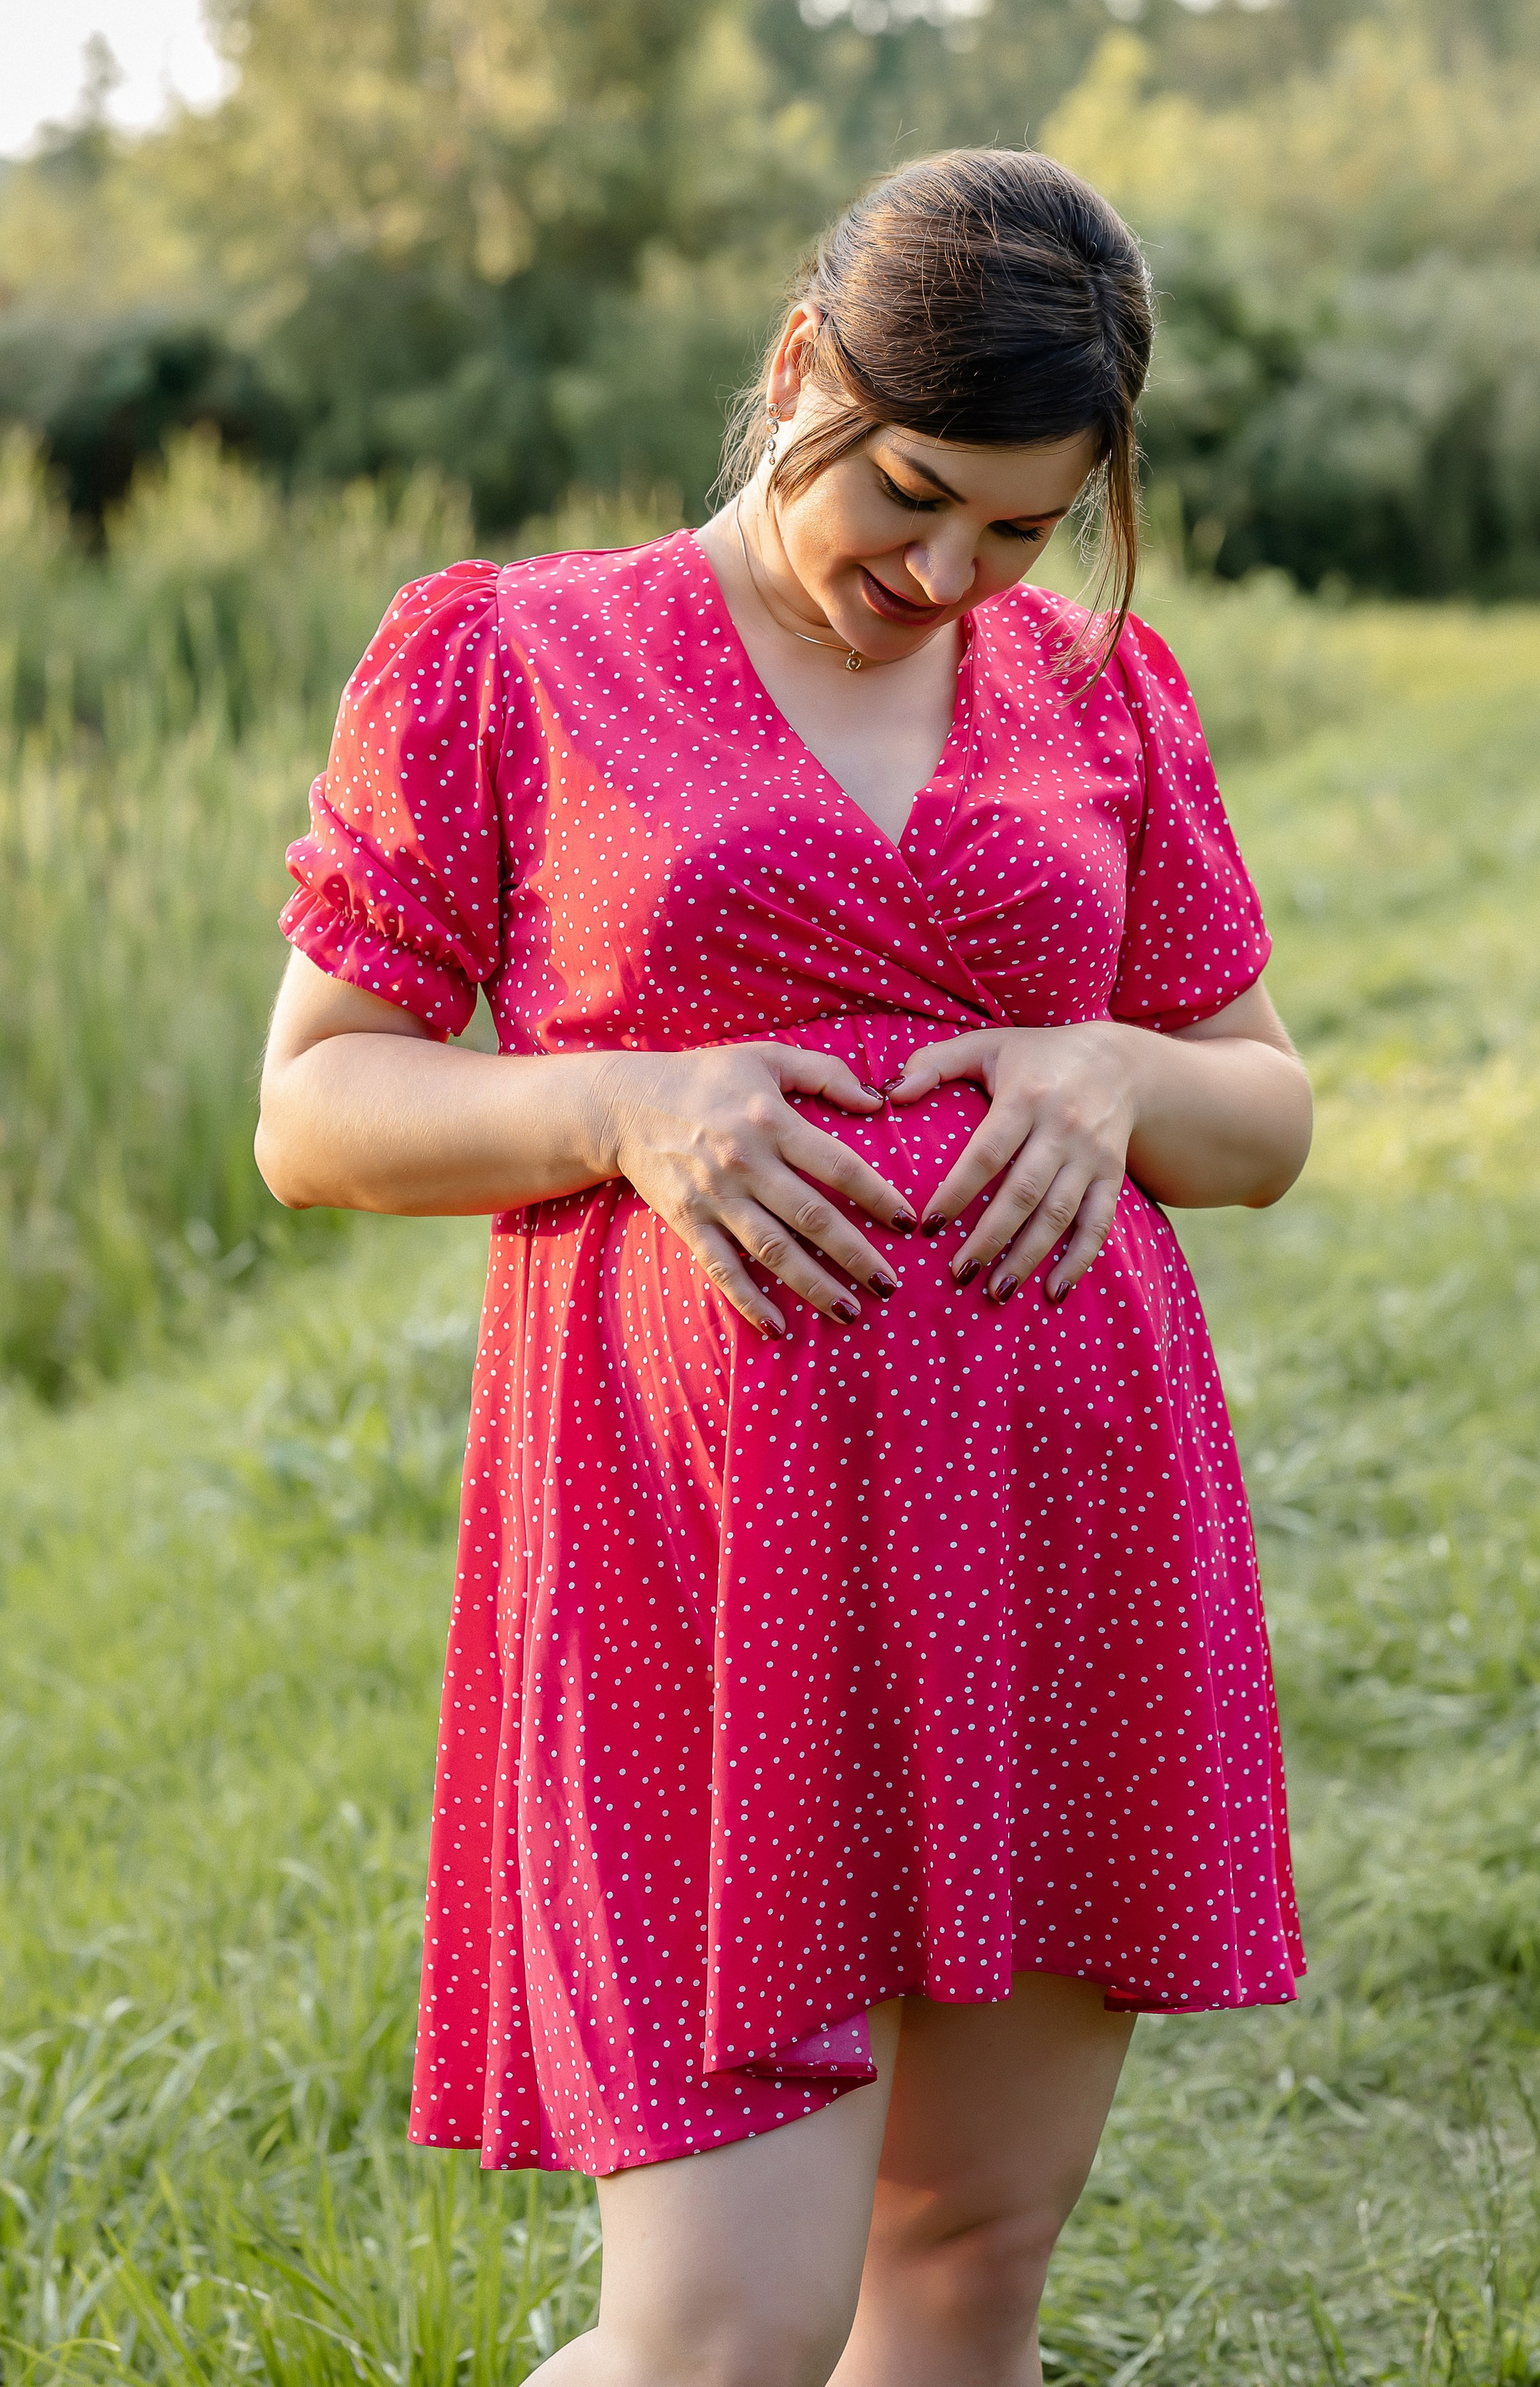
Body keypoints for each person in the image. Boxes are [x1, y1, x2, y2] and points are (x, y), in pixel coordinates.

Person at [256, 148, 1314, 2387]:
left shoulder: (1105, 694)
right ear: (798, 373)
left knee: (967, 2272)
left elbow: (1267, 1111)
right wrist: (624, 1106)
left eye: (1019, 527)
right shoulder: (510, 660)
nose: (945, 576)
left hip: (1058, 1555)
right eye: (913, 493)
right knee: (724, 2335)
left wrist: (1116, 1069)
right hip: (691, 1576)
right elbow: (316, 1110)